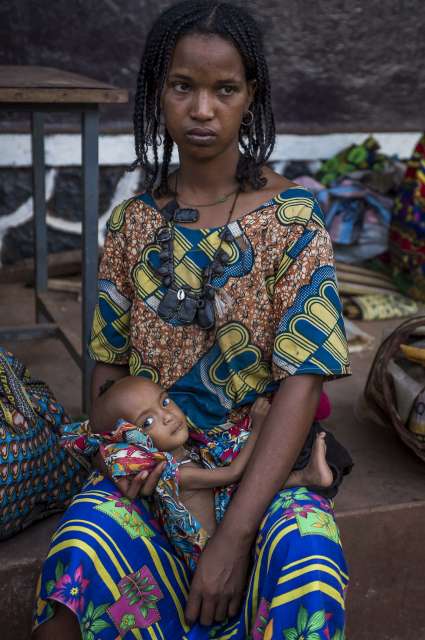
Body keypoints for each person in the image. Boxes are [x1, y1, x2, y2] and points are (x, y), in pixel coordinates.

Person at [32, 2, 352, 638]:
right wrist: (121, 455)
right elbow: (107, 374)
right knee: (82, 550)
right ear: (160, 91)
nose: (202, 109)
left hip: (262, 464)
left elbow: (302, 380)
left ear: (249, 97)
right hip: (154, 462)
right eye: (183, 86)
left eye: (224, 89)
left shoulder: (293, 221)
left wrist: (233, 538)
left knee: (309, 558)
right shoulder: (131, 226)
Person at [63, 376, 338, 571]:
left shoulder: (192, 452)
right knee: (245, 484)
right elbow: (232, 473)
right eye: (147, 421)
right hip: (209, 553)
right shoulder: (171, 473)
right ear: (129, 441)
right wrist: (257, 428)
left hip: (224, 511)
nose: (168, 416)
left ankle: (306, 478)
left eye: (166, 402)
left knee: (252, 490)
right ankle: (305, 478)